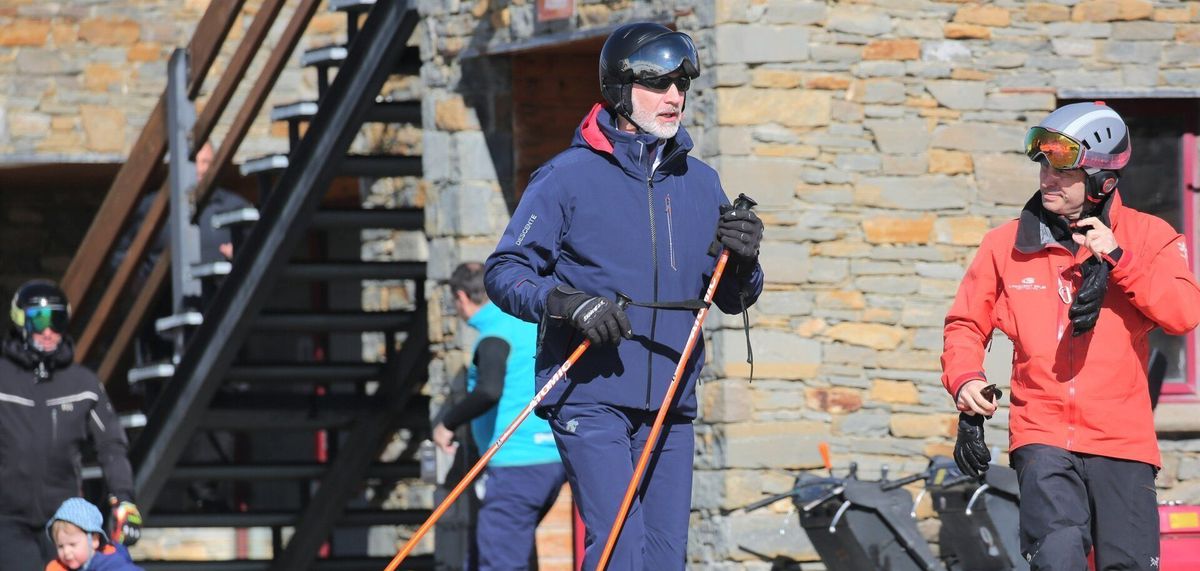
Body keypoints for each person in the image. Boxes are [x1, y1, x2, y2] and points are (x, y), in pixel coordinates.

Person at [484, 23, 765, 569]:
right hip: (589, 393)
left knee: (664, 558)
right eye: (658, 84)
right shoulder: (565, 177)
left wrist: (745, 260)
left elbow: (733, 297)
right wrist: (568, 304)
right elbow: (505, 270)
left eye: (682, 85)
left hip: (671, 399)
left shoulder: (701, 182)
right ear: (619, 89)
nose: (674, 96)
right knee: (621, 549)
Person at [942, 101, 1200, 571]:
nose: (1047, 179)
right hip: (1041, 435)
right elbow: (965, 324)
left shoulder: (1149, 236)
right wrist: (966, 379)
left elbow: (1183, 314)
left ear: (1103, 180)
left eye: (1062, 170)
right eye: (1043, 167)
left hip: (1122, 440)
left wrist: (1120, 259)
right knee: (1057, 559)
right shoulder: (1003, 245)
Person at [432, 262, 566, 570]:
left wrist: (447, 424)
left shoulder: (494, 334)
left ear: (461, 297)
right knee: (491, 554)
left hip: (517, 465)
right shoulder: (525, 323)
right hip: (550, 459)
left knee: (499, 562)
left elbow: (489, 390)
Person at [1, 280, 142, 571]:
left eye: (57, 320)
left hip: (64, 524)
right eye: (40, 320)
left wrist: (124, 499)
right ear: (20, 321)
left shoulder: (83, 384)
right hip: (7, 519)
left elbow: (111, 446)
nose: (49, 331)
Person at [45, 498, 143, 571]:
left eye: (72, 544)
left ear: (94, 540)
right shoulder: (58, 567)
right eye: (60, 546)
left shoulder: (111, 564)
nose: (66, 552)